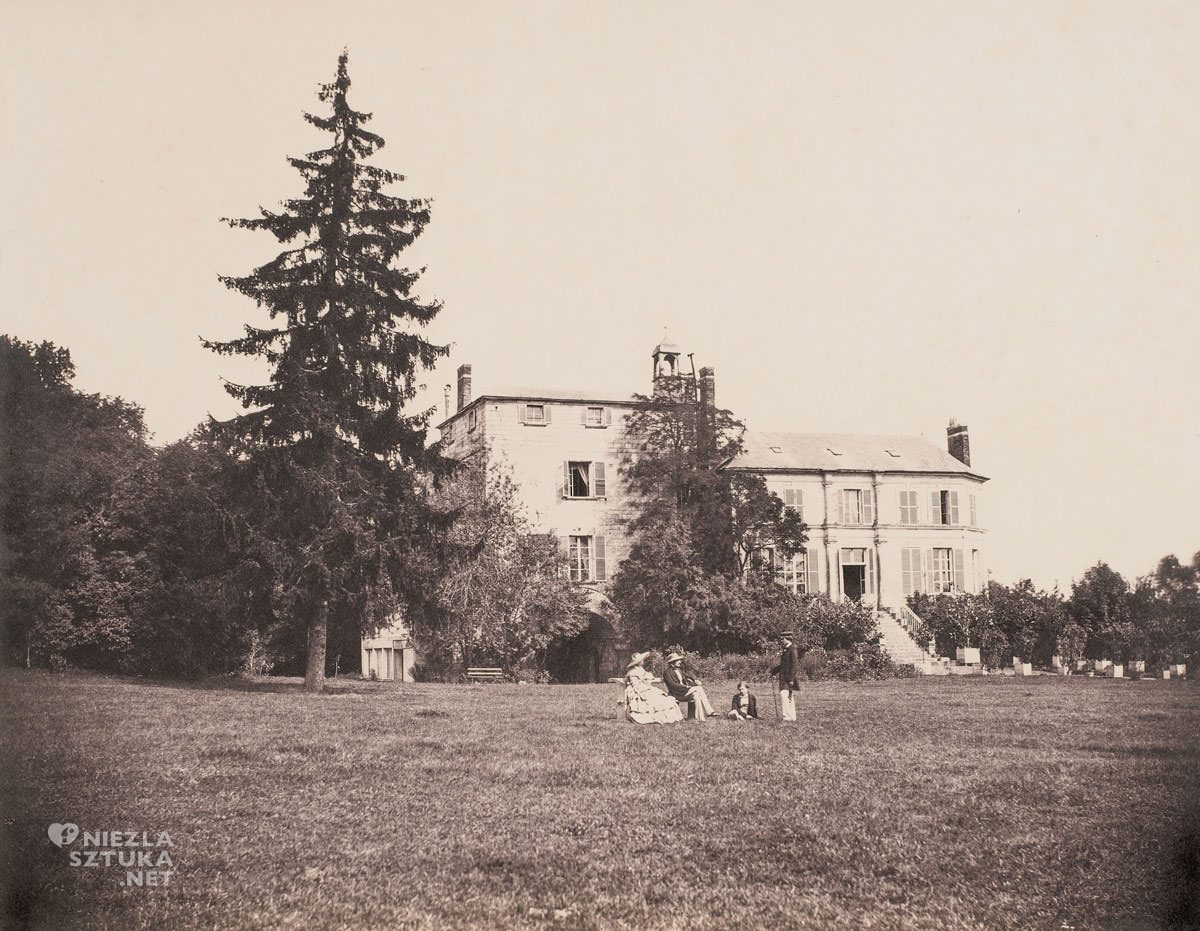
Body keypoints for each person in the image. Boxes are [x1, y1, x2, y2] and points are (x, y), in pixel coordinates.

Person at [623, 652, 684, 724]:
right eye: (641, 660)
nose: (643, 661)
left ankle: (667, 716)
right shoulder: (632, 672)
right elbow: (635, 685)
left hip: (646, 688)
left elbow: (648, 680)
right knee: (652, 699)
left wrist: (653, 680)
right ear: (638, 662)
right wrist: (645, 686)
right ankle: (650, 716)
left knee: (664, 698)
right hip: (638, 690)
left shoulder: (641, 670)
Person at [662, 652, 717, 722]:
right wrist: (685, 687)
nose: (680, 662)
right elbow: (672, 684)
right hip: (676, 693)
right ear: (672, 662)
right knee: (699, 688)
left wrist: (695, 681)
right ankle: (709, 712)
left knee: (696, 695)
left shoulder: (679, 670)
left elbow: (687, 677)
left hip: (683, 692)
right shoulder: (667, 672)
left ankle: (699, 718)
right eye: (678, 660)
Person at [769, 634, 800, 722]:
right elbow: (783, 665)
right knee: (788, 696)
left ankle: (787, 717)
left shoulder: (792, 649)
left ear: (788, 639)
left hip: (788, 678)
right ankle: (792, 717)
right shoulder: (787, 650)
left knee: (785, 696)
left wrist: (791, 679)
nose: (782, 641)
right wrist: (774, 671)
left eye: (783, 639)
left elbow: (794, 665)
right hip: (785, 678)